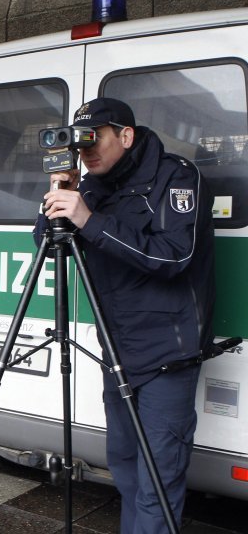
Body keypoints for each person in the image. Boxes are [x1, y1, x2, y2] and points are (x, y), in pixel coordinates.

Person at [36, 97, 215, 533]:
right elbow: (44, 244)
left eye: (94, 139)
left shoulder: (176, 177)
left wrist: (90, 220)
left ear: (126, 135)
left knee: (157, 477)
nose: (86, 151)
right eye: (80, 144)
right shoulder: (91, 186)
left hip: (166, 355)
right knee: (125, 464)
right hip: (116, 352)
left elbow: (174, 258)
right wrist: (66, 192)